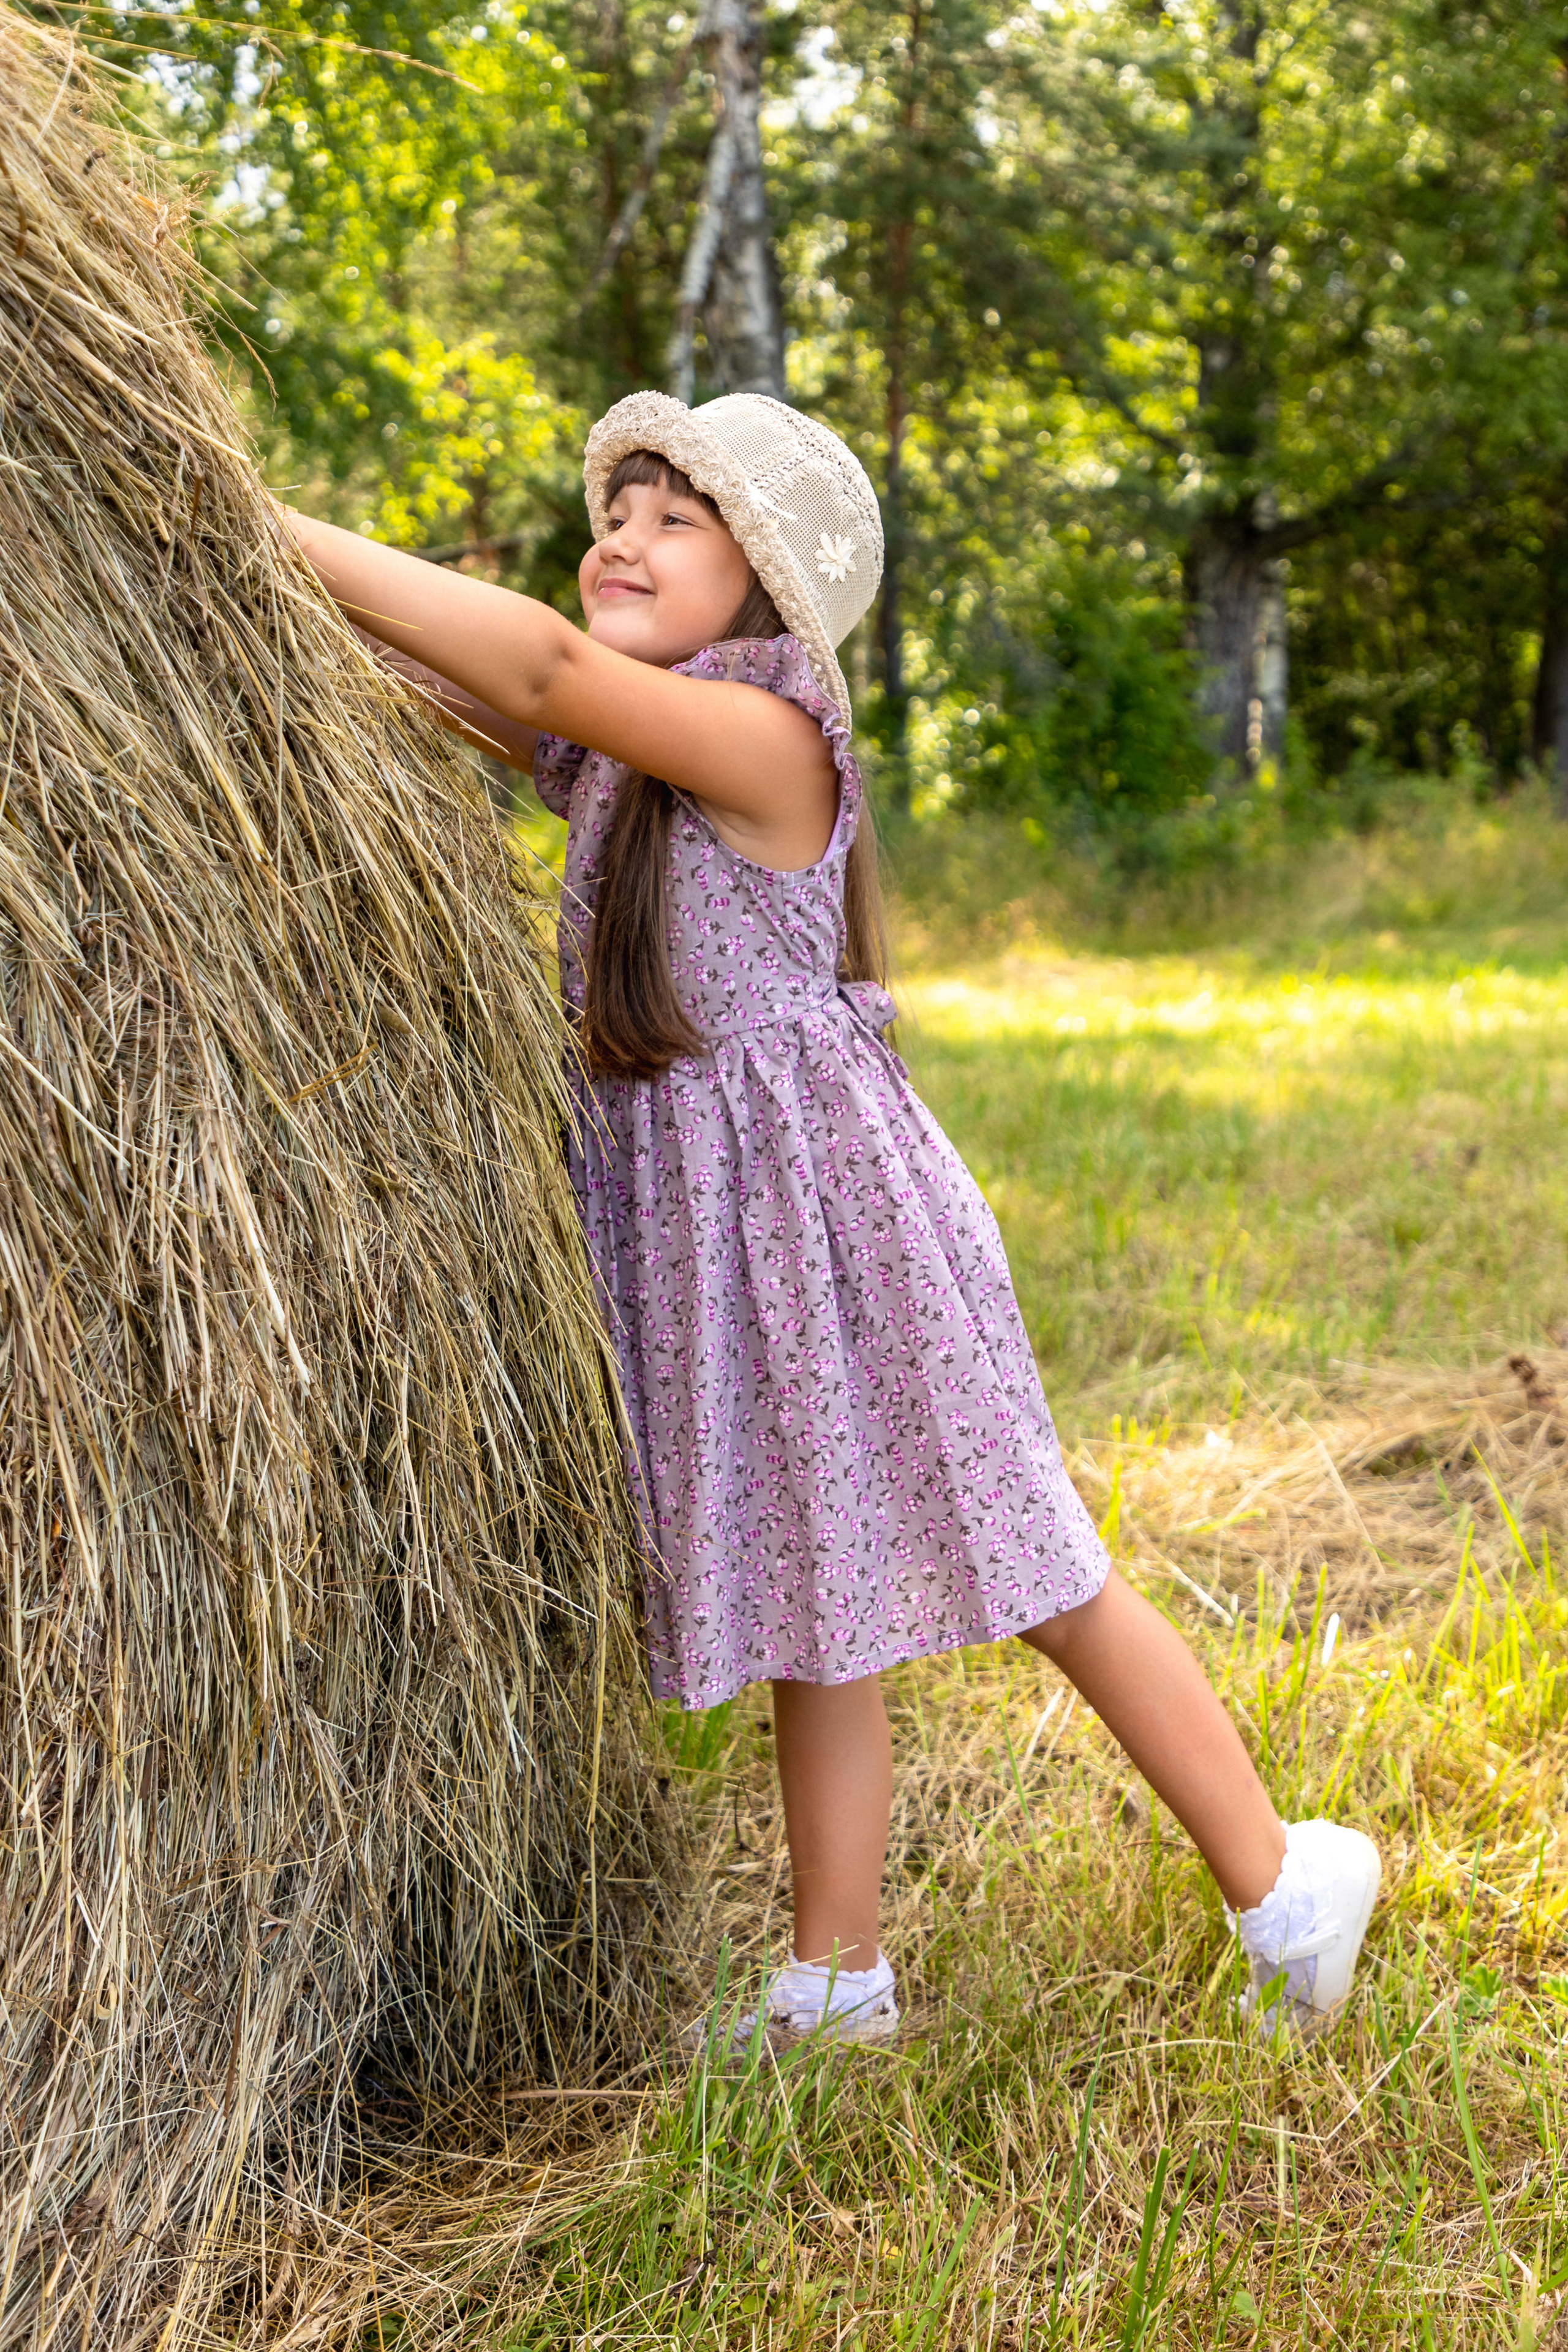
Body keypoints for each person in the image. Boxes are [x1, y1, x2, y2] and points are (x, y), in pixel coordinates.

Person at [282, 391, 1380, 2044]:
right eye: (618, 509)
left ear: (770, 583)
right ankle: (838, 1973)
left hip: (840, 1232)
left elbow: (529, 668)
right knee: (815, 1584)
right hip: (723, 1241)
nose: (621, 536)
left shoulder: (771, 738)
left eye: (673, 518)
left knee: (1042, 1567)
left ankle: (1288, 1879)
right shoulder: (623, 758)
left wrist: (249, 506)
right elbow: (439, 681)